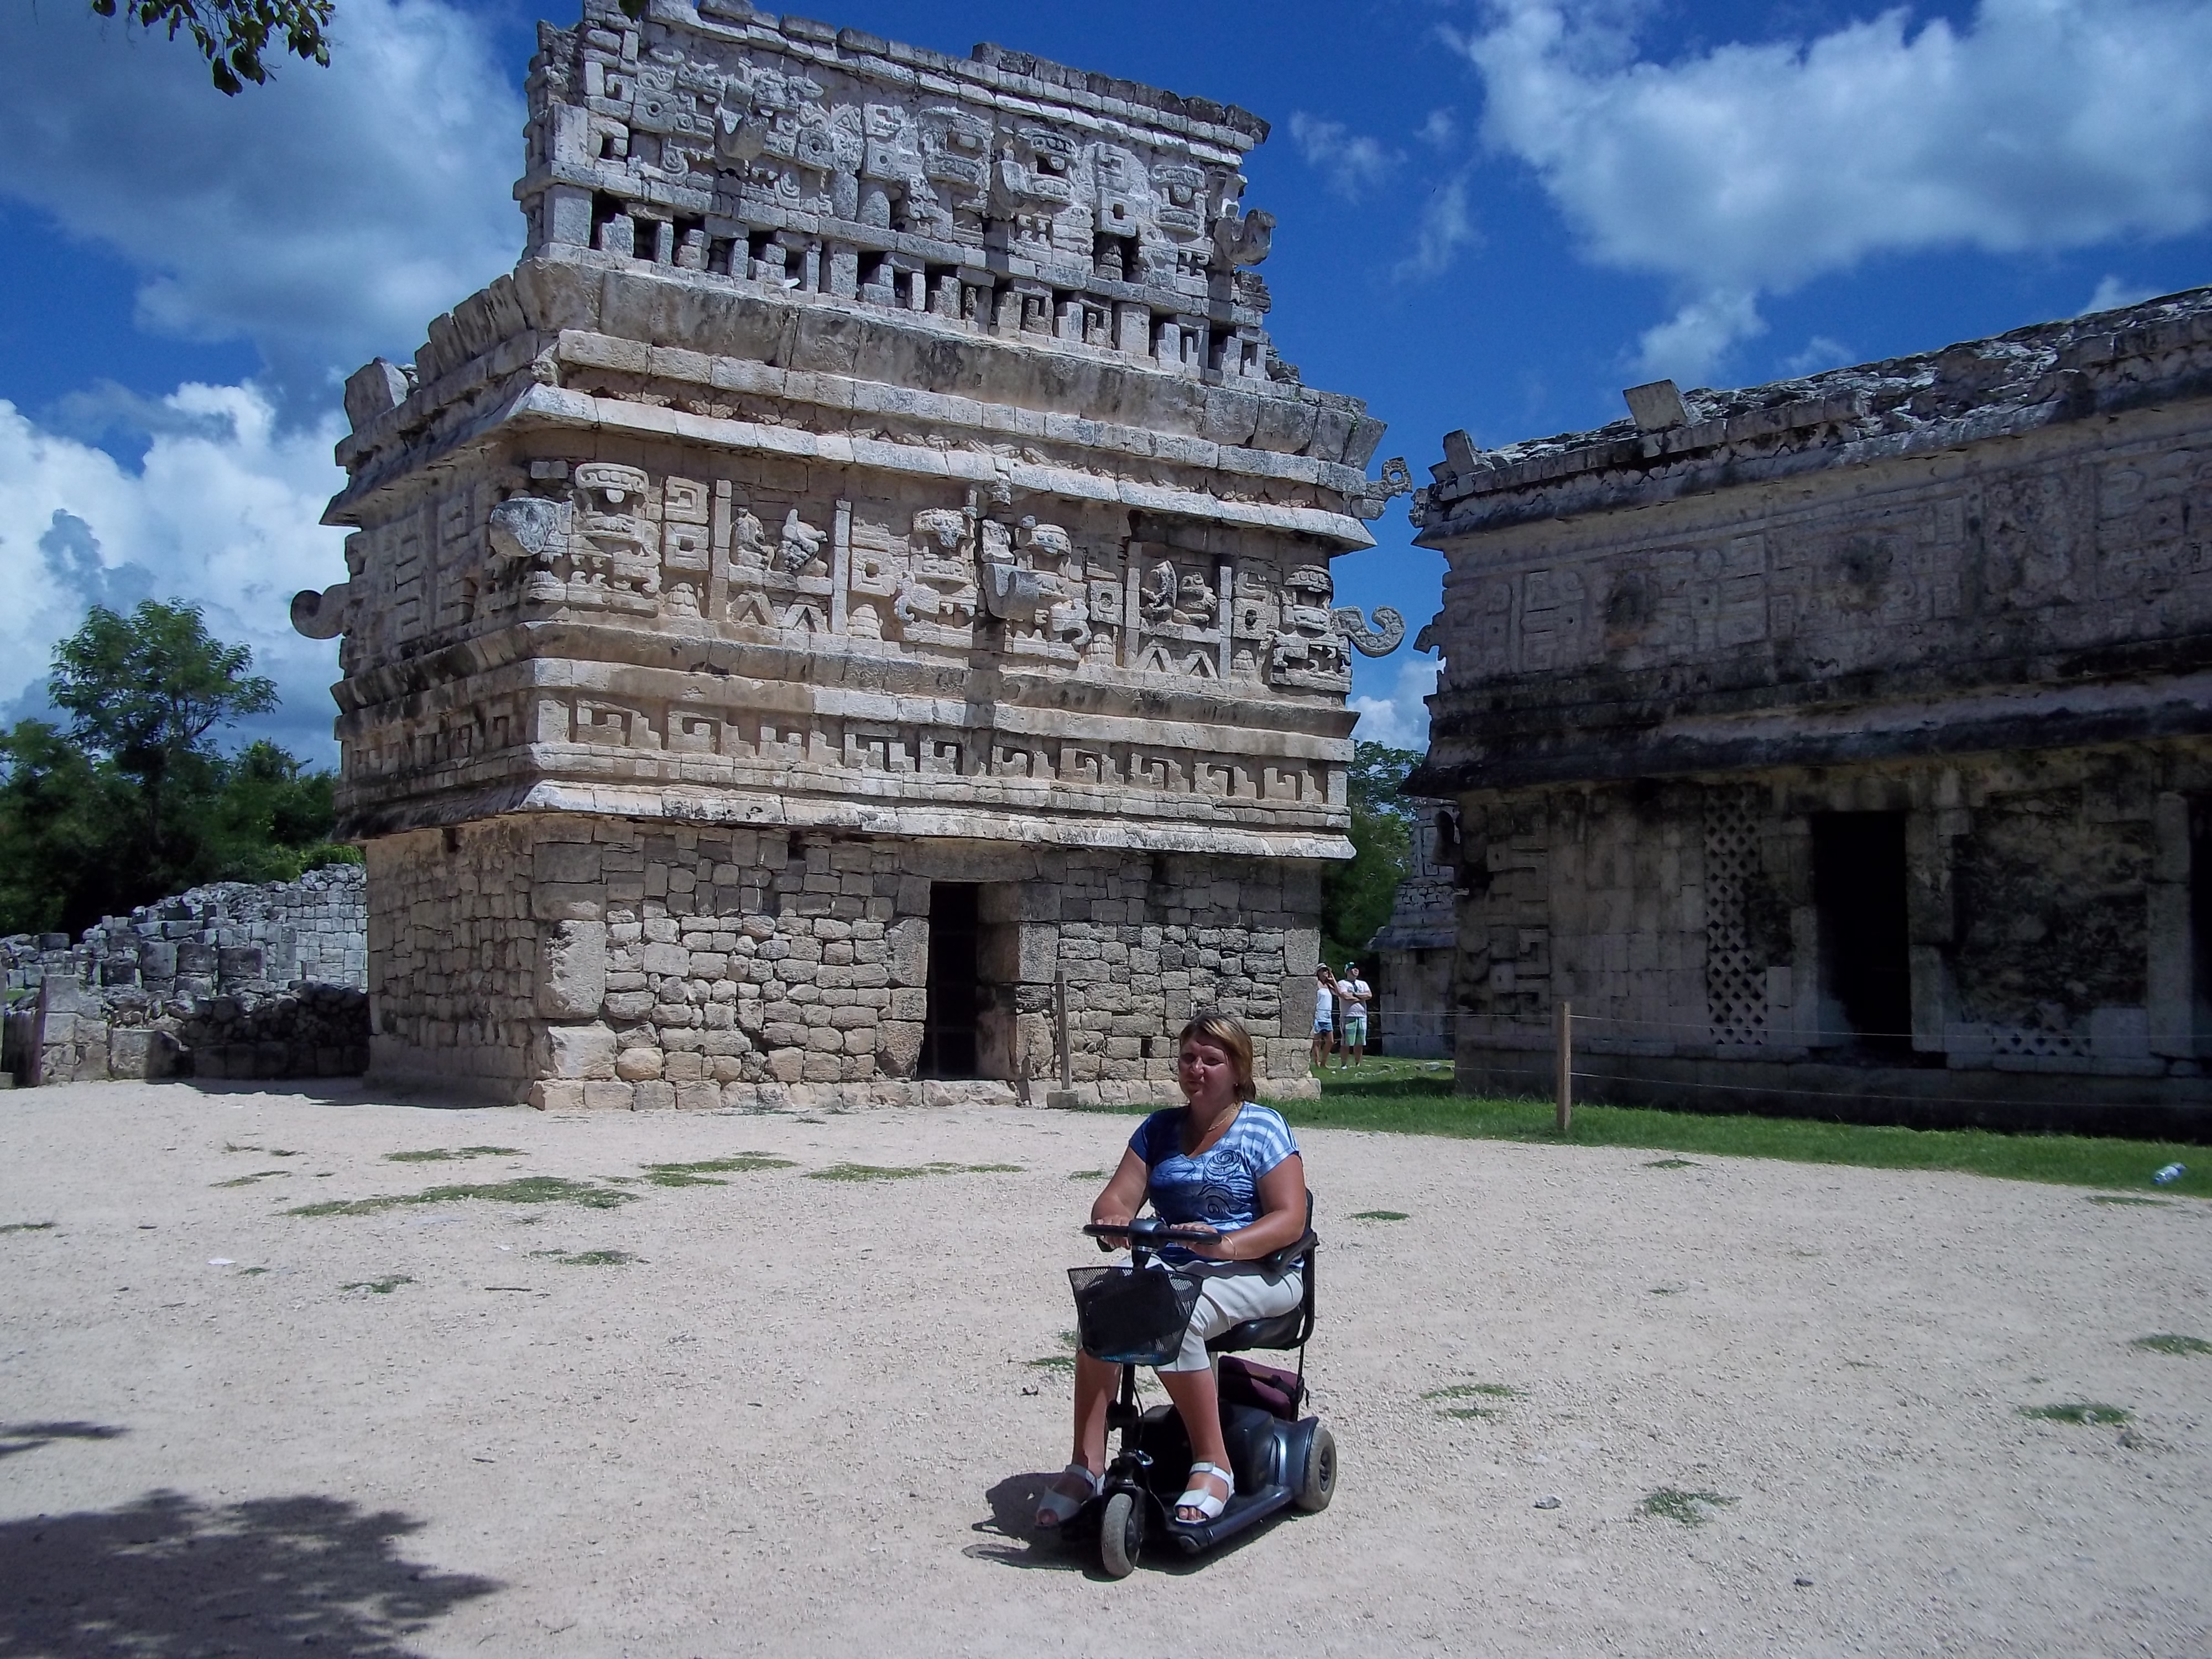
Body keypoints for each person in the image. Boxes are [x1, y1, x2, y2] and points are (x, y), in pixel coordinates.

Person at [1036, 1011, 1308, 1530]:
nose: (1197, 1069)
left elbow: (1289, 1219)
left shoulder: (1263, 1127)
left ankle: (1215, 1464)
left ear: (1237, 1070)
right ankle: (1087, 1464)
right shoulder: (1159, 1129)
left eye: (1212, 1059)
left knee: (1173, 1315)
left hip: (1260, 1270)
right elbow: (1116, 1195)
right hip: (1177, 1267)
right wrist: (1114, 1217)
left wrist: (1226, 1245)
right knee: (1103, 1314)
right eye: (1189, 1058)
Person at [1335, 962, 1371, 1067]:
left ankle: (1358, 1063)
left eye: (1356, 968)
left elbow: (1369, 995)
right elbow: (1345, 996)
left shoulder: (1363, 984)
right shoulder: (1342, 983)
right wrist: (1361, 998)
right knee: (1347, 1041)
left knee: (1360, 1042)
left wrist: (1355, 995)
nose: (1355, 970)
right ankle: (1344, 1064)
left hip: (1362, 1016)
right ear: (1347, 971)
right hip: (1348, 1015)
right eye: (1352, 969)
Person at [1308, 962, 1337, 1070]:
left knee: (1331, 1041)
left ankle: (1324, 1062)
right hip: (1318, 1015)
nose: (1326, 972)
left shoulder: (1329, 986)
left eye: (1327, 970)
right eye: (1323, 970)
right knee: (1317, 1040)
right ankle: (1317, 1062)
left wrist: (1333, 979)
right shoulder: (1316, 984)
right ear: (1318, 972)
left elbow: (1339, 993)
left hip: (1327, 1016)